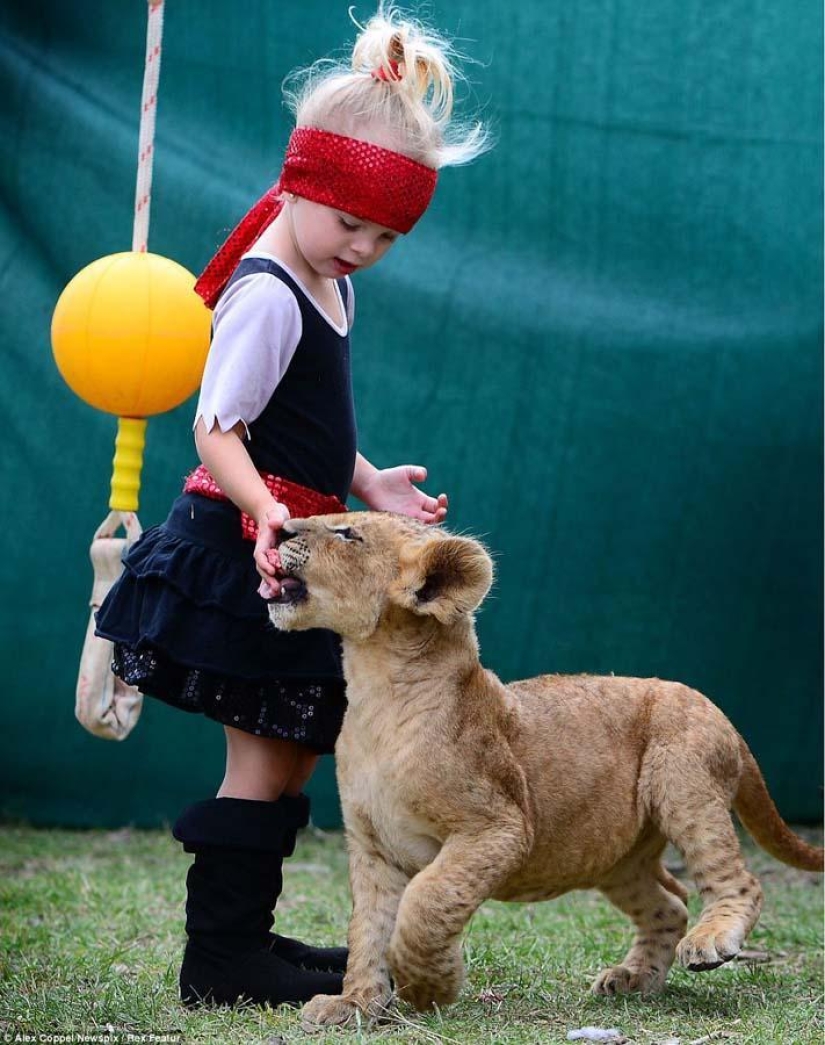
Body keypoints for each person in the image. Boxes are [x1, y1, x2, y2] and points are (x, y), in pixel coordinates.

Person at [95, 3, 487, 1011]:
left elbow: (298, 419)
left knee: (294, 754)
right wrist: (267, 509)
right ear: (303, 186)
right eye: (350, 220)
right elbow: (217, 429)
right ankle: (222, 962)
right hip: (246, 550)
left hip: (295, 543)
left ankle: (247, 939)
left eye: (387, 235)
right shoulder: (271, 289)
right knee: (267, 761)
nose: (362, 246)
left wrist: (366, 483)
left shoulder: (325, 277)